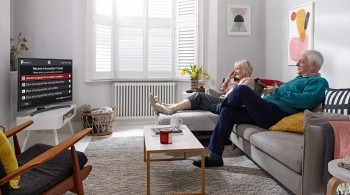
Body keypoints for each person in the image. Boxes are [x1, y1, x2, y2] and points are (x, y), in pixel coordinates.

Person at [192, 49, 329, 168]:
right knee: (228, 112)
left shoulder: (319, 82)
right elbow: (286, 95)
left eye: (301, 61)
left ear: (313, 65)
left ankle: (219, 105)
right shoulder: (298, 79)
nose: (297, 64)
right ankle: (215, 157)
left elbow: (305, 100)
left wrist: (277, 91)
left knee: (242, 90)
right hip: (266, 110)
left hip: (275, 114)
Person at [149, 60, 263, 115]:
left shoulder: (249, 80)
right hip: (223, 100)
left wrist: (228, 93)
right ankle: (164, 106)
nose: (235, 71)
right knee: (197, 98)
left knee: (199, 95)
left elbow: (240, 94)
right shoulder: (236, 82)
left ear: (244, 70)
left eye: (237, 69)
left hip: (225, 103)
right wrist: (228, 79)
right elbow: (221, 90)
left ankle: (170, 108)